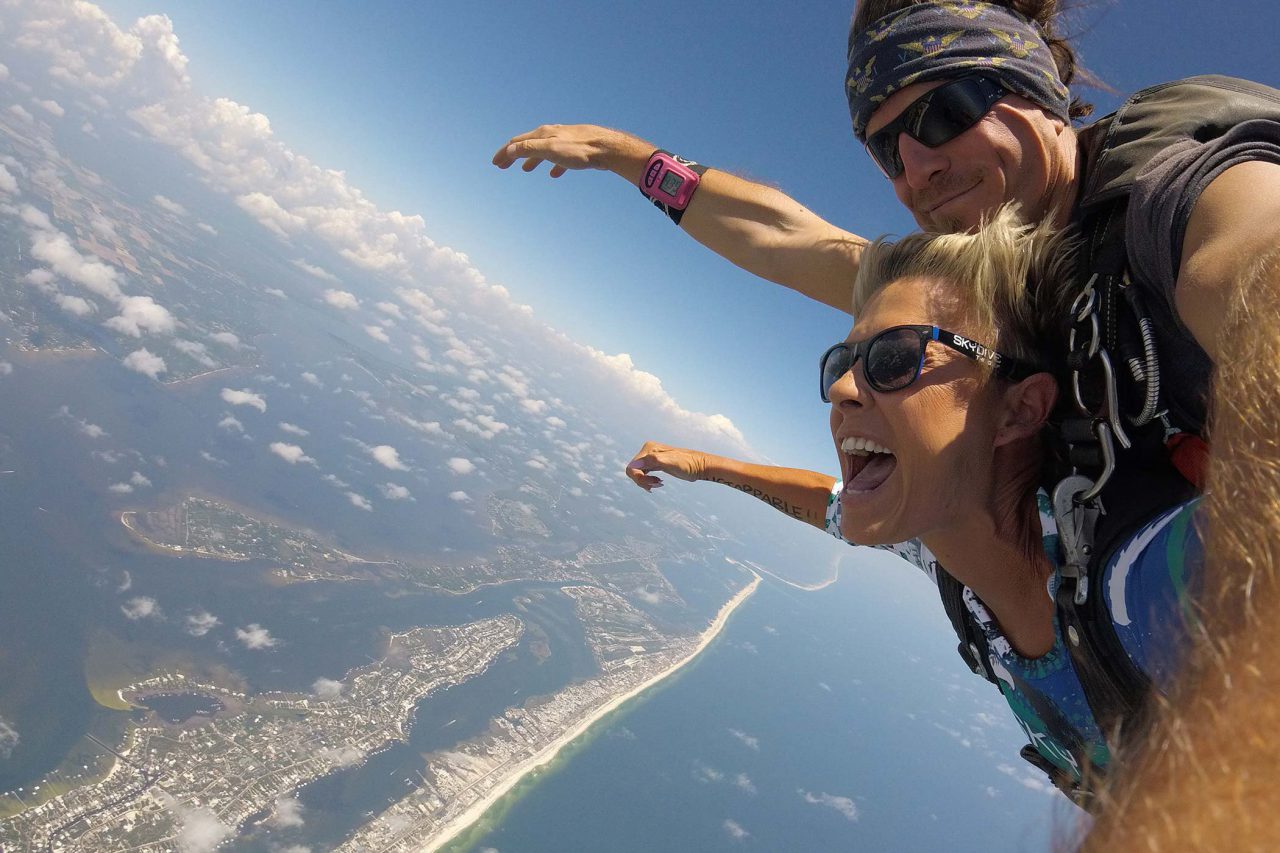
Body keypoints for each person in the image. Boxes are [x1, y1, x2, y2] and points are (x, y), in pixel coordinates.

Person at [494, 1, 1280, 841]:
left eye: (944, 112)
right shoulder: (972, 321)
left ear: (1036, 92)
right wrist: (627, 158)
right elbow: (785, 240)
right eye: (883, 147)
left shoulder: (1180, 192)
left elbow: (1255, 268)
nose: (914, 167)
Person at [624, 208, 1203, 815]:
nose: (845, 389)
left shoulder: (1162, 575)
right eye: (840, 364)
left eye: (895, 358)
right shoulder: (955, 566)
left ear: (1019, 409)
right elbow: (829, 504)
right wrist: (703, 464)